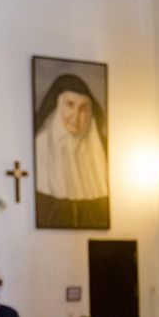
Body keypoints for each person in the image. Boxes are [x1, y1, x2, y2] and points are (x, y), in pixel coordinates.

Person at [33, 73, 110, 229]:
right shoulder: (40, 148)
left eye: (83, 108)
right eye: (69, 104)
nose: (76, 116)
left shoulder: (98, 154)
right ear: (57, 106)